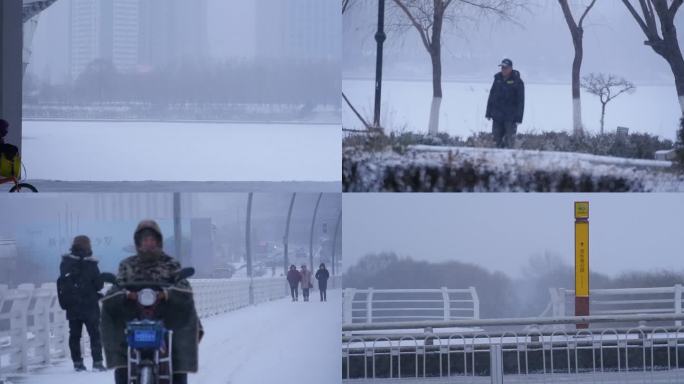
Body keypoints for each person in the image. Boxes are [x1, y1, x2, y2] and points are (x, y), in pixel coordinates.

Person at [101, 220, 202, 384]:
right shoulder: (127, 264)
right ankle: (121, 368)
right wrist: (126, 294)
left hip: (165, 313)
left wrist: (166, 294)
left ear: (158, 241)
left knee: (186, 317)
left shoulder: (170, 263)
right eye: (145, 240)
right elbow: (118, 285)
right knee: (110, 313)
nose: (149, 243)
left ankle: (179, 372)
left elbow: (182, 285)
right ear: (138, 242)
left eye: (152, 239)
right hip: (133, 313)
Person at [57, 235, 106, 372]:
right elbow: (98, 285)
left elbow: (63, 281)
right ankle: (97, 362)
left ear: (73, 245)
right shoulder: (91, 264)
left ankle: (77, 363)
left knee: (74, 335)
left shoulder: (65, 263)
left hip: (73, 306)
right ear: (88, 246)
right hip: (89, 305)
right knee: (94, 334)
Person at [485, 58, 525, 148]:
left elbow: (521, 101)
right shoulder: (497, 79)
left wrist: (519, 118)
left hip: (511, 118)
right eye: (502, 67)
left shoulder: (518, 81)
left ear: (511, 68)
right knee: (496, 141)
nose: (503, 69)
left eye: (505, 68)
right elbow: (491, 97)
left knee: (510, 142)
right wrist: (488, 113)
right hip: (497, 116)